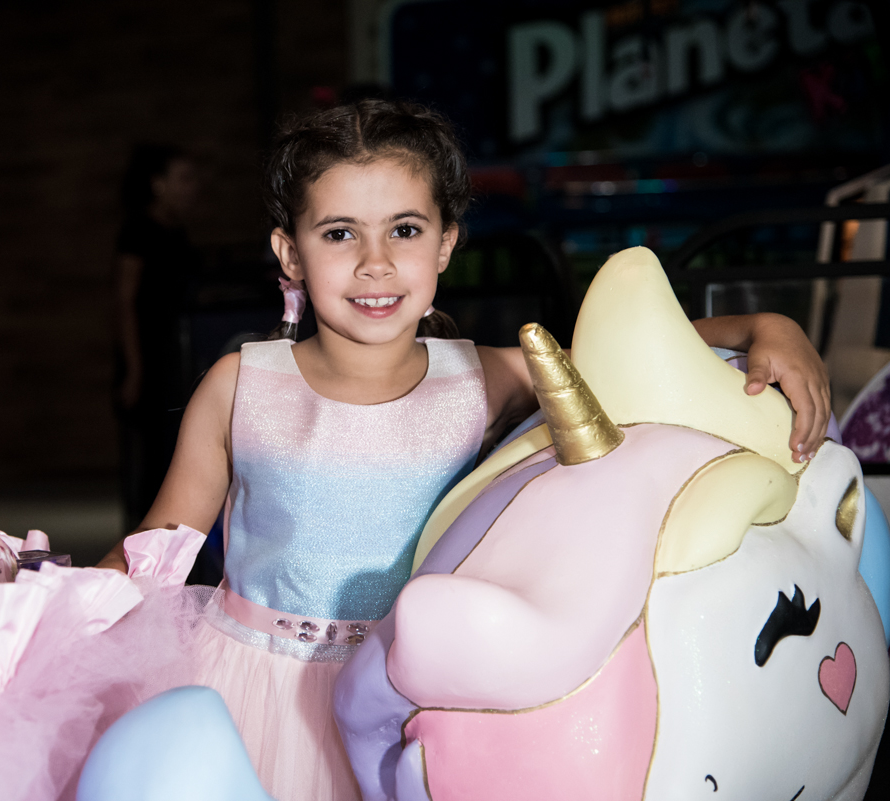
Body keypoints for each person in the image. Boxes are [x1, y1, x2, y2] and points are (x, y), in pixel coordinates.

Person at [97, 100, 831, 800]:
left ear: (446, 242)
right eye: (340, 233)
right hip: (253, 693)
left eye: (406, 230)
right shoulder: (239, 384)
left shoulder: (482, 379)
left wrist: (765, 326)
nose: (376, 263)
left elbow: (624, 353)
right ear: (290, 252)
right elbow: (160, 545)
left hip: (408, 696)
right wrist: (46, 607)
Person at [115, 144, 201, 532]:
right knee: (149, 459)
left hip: (175, 358)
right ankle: (142, 542)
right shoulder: (138, 233)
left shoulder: (178, 233)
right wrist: (134, 370)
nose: (193, 187)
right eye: (183, 178)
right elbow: (125, 301)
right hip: (149, 359)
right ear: (158, 184)